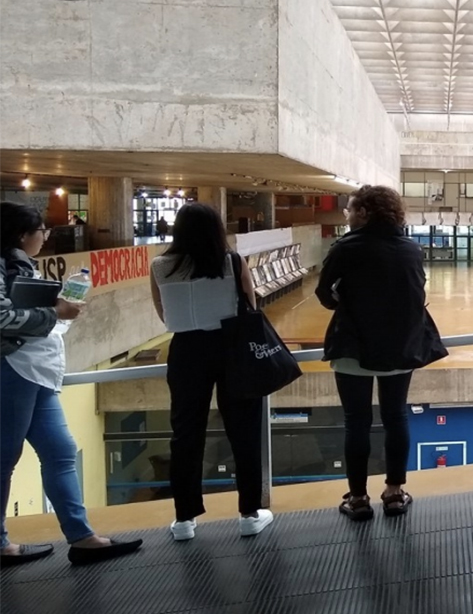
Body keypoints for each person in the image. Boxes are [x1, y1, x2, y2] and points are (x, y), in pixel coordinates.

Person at [1, 202, 142, 566]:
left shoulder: (20, 264)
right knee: (4, 458)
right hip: (12, 369)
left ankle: (82, 537)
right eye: (42, 231)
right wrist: (55, 312)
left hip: (36, 371)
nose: (45, 237)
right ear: (22, 235)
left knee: (61, 451)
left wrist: (58, 310)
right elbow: (2, 317)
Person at [150, 203, 273, 541]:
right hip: (231, 349)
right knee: (243, 431)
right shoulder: (232, 262)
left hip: (186, 350)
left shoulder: (160, 266)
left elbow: (162, 312)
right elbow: (250, 305)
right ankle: (249, 513)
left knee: (186, 433)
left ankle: (184, 520)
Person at [318, 186, 439, 520]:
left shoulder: (345, 248)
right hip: (400, 348)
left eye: (350, 210)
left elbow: (324, 294)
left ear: (364, 213)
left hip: (354, 347)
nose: (347, 215)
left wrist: (344, 301)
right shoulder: (410, 249)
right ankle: (395, 492)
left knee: (356, 421)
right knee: (396, 416)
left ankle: (358, 499)